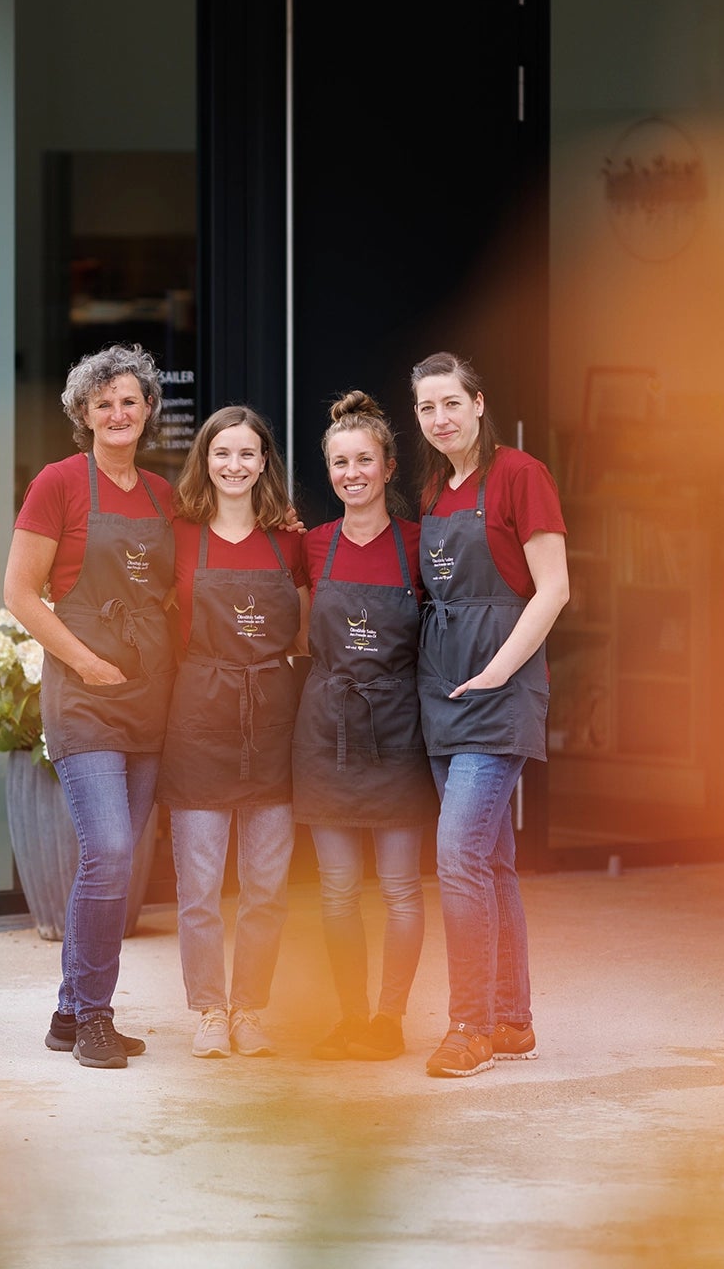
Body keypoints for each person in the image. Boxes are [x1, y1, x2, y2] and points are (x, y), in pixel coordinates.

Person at [3, 344, 176, 1070]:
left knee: (116, 860)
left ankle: (70, 1013)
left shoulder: (165, 497)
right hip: (84, 698)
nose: (117, 412)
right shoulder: (59, 484)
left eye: (129, 400)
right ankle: (96, 1014)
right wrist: (86, 662)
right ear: (83, 412)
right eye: (103, 402)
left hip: (149, 698)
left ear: (147, 411)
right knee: (107, 850)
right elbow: (17, 594)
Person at [411, 352, 569, 1079]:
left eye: (451, 403)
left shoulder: (519, 475)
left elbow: (554, 588)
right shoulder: (436, 492)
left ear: (478, 403)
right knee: (492, 861)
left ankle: (469, 1025)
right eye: (426, 408)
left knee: (459, 858)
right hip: (444, 694)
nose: (439, 418)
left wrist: (501, 671)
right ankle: (512, 1020)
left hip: (497, 692)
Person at [158, 405, 309, 1059]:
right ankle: (209, 1012)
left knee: (267, 887)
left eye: (248, 453)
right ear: (206, 460)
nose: (235, 465)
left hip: (272, 722)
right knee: (198, 889)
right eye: (223, 453)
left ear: (264, 463)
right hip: (199, 718)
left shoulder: (291, 541)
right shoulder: (179, 536)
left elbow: (304, 630)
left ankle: (250, 1009)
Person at [294, 391, 435, 1064]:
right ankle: (350, 1018)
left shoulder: (419, 544)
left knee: (402, 888)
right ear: (331, 471)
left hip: (399, 730)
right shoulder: (310, 547)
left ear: (388, 466)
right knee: (338, 890)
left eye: (364, 461)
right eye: (340, 462)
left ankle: (390, 1019)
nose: (352, 473)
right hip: (327, 732)